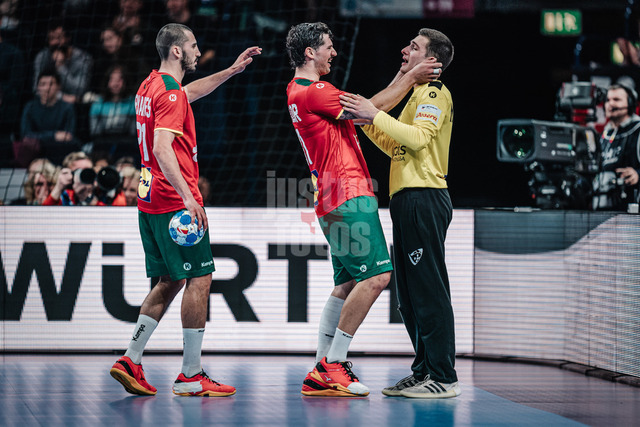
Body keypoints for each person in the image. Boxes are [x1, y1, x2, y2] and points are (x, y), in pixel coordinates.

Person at [285, 22, 442, 397]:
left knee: (347, 283)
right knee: (377, 277)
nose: (334, 53)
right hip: (348, 194)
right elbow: (374, 109)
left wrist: (403, 74)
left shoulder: (297, 91)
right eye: (328, 46)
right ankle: (333, 364)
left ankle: (321, 368)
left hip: (330, 197)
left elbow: (367, 108)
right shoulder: (316, 91)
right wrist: (412, 76)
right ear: (310, 52)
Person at [109, 23, 261, 397]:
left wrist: (231, 71)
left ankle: (130, 358)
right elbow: (163, 147)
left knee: (170, 280)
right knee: (200, 278)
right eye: (193, 45)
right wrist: (189, 198)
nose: (197, 51)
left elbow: (187, 93)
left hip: (149, 200)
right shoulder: (170, 94)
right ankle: (191, 374)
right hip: (175, 203)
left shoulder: (150, 85)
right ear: (177, 51)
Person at [339, 28, 459, 399]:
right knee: (408, 296)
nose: (405, 49)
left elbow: (419, 139)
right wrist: (369, 122)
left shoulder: (434, 93)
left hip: (425, 197)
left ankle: (444, 376)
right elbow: (396, 146)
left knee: (429, 291)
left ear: (431, 61)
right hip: (406, 199)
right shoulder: (413, 95)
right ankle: (423, 370)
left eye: (414, 47)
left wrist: (374, 113)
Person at [592, 84, 640, 211]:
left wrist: (638, 174)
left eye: (616, 99)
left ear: (630, 104)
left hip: (631, 214)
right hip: (601, 212)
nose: (610, 104)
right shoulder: (603, 136)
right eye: (608, 100)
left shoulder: (637, 130)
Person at [20, 69, 79, 165]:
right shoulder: (30, 107)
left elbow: (68, 136)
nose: (47, 88)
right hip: (36, 155)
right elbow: (26, 135)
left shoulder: (67, 108)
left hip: (60, 154)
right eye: (43, 84)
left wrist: (41, 137)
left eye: (51, 84)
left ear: (58, 87)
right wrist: (54, 135)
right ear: (38, 87)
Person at [32, 20, 92, 104]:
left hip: (74, 106)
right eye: (52, 38)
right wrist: (61, 97)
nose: (55, 42)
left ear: (68, 38)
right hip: (47, 103)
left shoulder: (83, 58)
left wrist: (60, 67)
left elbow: (80, 90)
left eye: (59, 38)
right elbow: (36, 89)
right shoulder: (42, 57)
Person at [88, 64, 138, 160]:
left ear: (125, 81)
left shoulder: (133, 104)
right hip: (102, 148)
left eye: (119, 80)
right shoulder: (98, 104)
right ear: (107, 82)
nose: (115, 84)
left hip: (127, 148)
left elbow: (133, 133)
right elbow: (95, 133)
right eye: (112, 80)